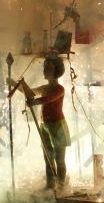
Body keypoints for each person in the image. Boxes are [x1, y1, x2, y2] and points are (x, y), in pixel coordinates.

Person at [25, 57, 71, 189]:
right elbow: (29, 92)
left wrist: (34, 102)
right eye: (45, 68)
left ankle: (61, 186)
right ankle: (50, 186)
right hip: (44, 126)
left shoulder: (59, 89)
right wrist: (18, 85)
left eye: (48, 68)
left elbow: (47, 99)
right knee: (47, 158)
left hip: (57, 126)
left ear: (56, 71)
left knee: (59, 159)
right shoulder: (45, 87)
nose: (45, 71)